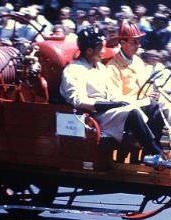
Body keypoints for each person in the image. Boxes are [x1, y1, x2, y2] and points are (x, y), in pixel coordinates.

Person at [60, 26, 163, 163]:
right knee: (132, 113)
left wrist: (120, 101)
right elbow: (77, 100)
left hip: (109, 109)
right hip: (93, 117)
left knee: (152, 106)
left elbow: (112, 93)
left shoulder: (100, 67)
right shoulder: (74, 69)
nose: (104, 52)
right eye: (100, 48)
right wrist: (110, 104)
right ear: (89, 51)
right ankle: (156, 154)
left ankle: (156, 151)